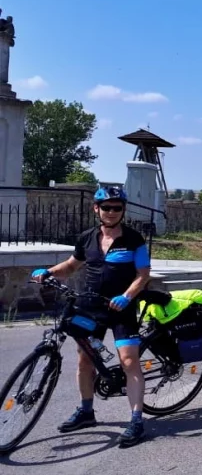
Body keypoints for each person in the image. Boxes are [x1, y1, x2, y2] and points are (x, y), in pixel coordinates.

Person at [31, 185, 151, 447]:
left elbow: (143, 274)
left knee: (129, 361)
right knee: (85, 360)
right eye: (106, 207)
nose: (111, 212)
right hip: (90, 307)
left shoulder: (134, 240)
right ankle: (86, 411)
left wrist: (127, 296)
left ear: (123, 210)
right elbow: (72, 265)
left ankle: (136, 421)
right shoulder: (87, 238)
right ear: (96, 209)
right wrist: (49, 272)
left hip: (122, 309)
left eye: (116, 208)